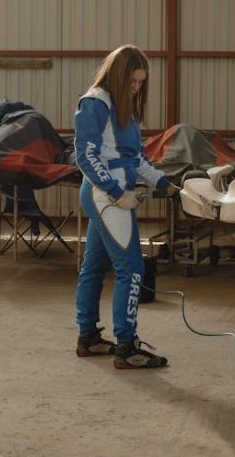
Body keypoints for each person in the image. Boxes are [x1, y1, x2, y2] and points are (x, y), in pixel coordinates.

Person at [73, 44, 171, 369]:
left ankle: (88, 337)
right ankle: (126, 347)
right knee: (132, 270)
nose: (136, 88)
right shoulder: (96, 102)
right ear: (118, 75)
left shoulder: (123, 105)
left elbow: (136, 157)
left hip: (110, 194)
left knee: (93, 268)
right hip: (107, 196)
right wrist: (116, 193)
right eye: (132, 81)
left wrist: (163, 183)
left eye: (141, 82)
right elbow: (85, 155)